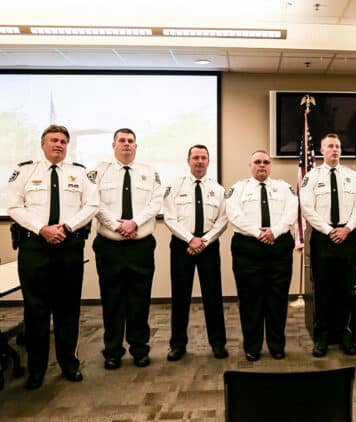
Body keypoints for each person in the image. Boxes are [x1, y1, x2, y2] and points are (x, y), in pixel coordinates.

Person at [7, 125, 98, 389]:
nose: (58, 144)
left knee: (67, 309)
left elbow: (92, 204)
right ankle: (36, 370)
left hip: (68, 248)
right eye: (53, 140)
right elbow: (13, 206)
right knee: (35, 310)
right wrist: (42, 229)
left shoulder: (79, 173)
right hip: (34, 248)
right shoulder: (25, 171)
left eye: (63, 141)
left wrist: (67, 226)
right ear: (42, 143)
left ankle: (69, 363)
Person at [90, 128, 163, 369]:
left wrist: (134, 223)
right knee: (111, 300)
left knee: (139, 300)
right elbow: (93, 203)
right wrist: (116, 225)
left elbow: (155, 203)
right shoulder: (99, 171)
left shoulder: (149, 172)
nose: (126, 144)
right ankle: (112, 350)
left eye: (131, 141)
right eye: (122, 140)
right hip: (109, 246)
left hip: (140, 246)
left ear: (136, 146)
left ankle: (140, 349)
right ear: (113, 145)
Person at [227, 150, 296, 361]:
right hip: (248, 248)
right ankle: (253, 346)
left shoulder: (284, 188)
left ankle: (276, 345)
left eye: (266, 162)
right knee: (250, 300)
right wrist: (259, 233)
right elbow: (234, 214)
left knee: (277, 299)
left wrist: (273, 232)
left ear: (270, 166)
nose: (262, 165)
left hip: (278, 246)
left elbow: (291, 212)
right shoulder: (238, 189)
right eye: (257, 162)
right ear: (250, 165)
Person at [300, 133, 356, 357]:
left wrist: (346, 229)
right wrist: (329, 230)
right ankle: (322, 338)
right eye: (330, 146)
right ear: (321, 150)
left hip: (347, 237)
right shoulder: (311, 177)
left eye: (337, 146)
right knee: (323, 289)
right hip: (322, 238)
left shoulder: (352, 177)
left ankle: (345, 335)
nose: (334, 150)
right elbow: (307, 208)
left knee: (345, 289)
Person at [163, 144, 228, 361]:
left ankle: (218, 343)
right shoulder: (175, 186)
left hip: (208, 246)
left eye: (203, 158)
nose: (199, 161)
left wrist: (204, 240)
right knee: (180, 296)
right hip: (182, 245)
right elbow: (170, 218)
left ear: (209, 162)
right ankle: (178, 344)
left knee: (213, 295)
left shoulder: (217, 189)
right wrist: (191, 239)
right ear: (188, 160)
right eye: (195, 157)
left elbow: (223, 220)